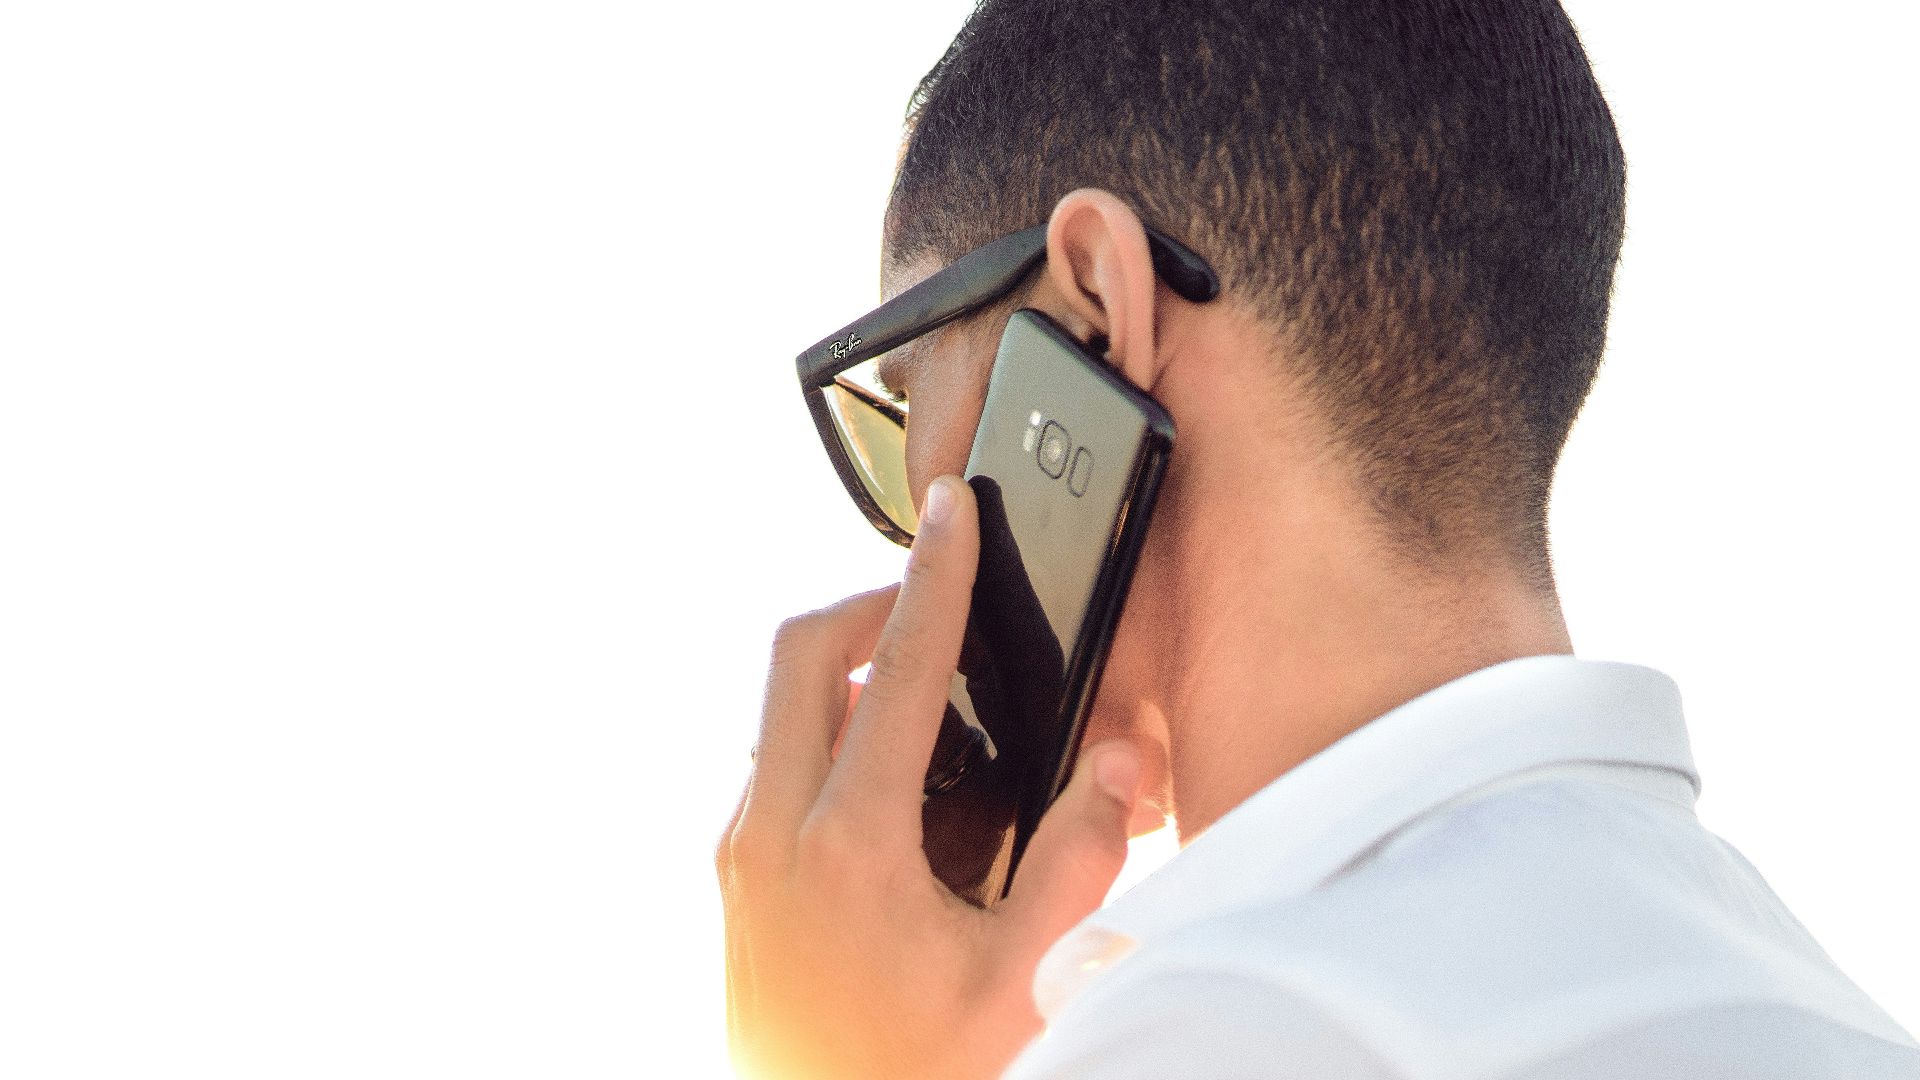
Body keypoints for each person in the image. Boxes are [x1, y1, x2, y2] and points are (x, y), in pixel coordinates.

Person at [717, 1, 1920, 1076]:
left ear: (1092, 317)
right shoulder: (1833, 1017)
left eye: (907, 413)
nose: (905, 530)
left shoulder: (1222, 1032)